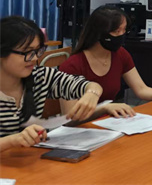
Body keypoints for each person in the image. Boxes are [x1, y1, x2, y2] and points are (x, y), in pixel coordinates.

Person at [0, 16, 103, 151]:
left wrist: (92, 93)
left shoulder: (40, 76)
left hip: (29, 158)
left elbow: (86, 85)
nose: (35, 58)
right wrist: (13, 140)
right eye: (27, 52)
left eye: (37, 51)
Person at [60, 6, 152, 118]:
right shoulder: (72, 66)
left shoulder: (120, 54)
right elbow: (70, 114)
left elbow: (141, 89)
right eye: (117, 31)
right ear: (99, 33)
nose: (121, 35)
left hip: (110, 122)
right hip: (82, 127)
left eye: (124, 30)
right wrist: (104, 108)